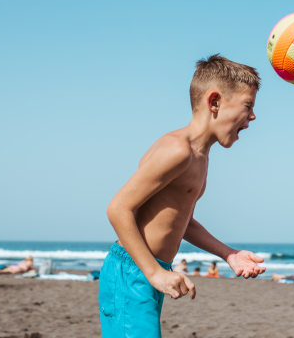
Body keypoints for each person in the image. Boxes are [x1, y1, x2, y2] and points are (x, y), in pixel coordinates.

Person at [100, 55, 266, 338]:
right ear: (214, 102)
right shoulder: (177, 150)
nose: (252, 116)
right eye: (247, 105)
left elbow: (182, 220)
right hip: (132, 270)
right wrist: (154, 273)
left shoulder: (200, 157)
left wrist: (229, 254)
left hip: (146, 270)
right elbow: (118, 208)